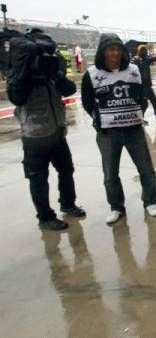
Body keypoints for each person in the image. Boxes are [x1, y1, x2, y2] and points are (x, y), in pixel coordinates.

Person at [8, 29, 86, 230]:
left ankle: (68, 204)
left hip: (58, 131)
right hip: (34, 136)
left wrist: (56, 75)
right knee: (38, 179)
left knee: (66, 170)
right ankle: (45, 217)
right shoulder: (18, 72)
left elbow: (69, 89)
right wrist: (26, 72)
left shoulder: (51, 71)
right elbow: (16, 98)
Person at [81, 33, 156, 224]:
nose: (115, 53)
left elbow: (143, 95)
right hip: (108, 134)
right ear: (103, 51)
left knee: (146, 169)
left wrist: (136, 113)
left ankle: (150, 202)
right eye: (110, 49)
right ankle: (116, 207)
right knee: (110, 175)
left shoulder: (134, 70)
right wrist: (100, 119)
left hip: (134, 131)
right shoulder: (91, 74)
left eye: (117, 48)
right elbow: (87, 102)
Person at [133, 45, 156, 121]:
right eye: (145, 51)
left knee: (154, 100)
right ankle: (140, 119)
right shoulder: (136, 61)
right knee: (144, 103)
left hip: (148, 86)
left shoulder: (146, 60)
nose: (146, 52)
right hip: (142, 86)